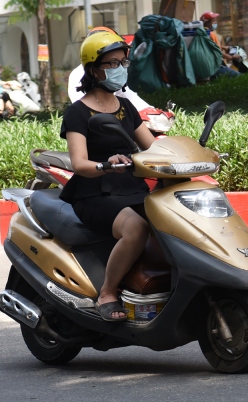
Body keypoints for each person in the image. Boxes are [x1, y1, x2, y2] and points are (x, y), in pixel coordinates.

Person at [61, 29, 156, 322]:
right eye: (111, 64)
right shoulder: (77, 113)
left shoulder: (126, 107)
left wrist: (188, 153)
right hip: (94, 191)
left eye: (122, 63)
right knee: (137, 228)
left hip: (131, 187)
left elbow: (152, 148)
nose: (119, 70)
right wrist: (105, 165)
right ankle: (108, 292)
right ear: (93, 70)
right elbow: (79, 163)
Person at [201, 11, 240, 78]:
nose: (216, 23)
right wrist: (231, 57)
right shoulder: (207, 35)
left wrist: (223, 47)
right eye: (213, 21)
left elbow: (214, 47)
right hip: (214, 67)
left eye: (215, 21)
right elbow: (217, 52)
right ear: (207, 23)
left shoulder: (209, 34)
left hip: (214, 65)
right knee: (238, 76)